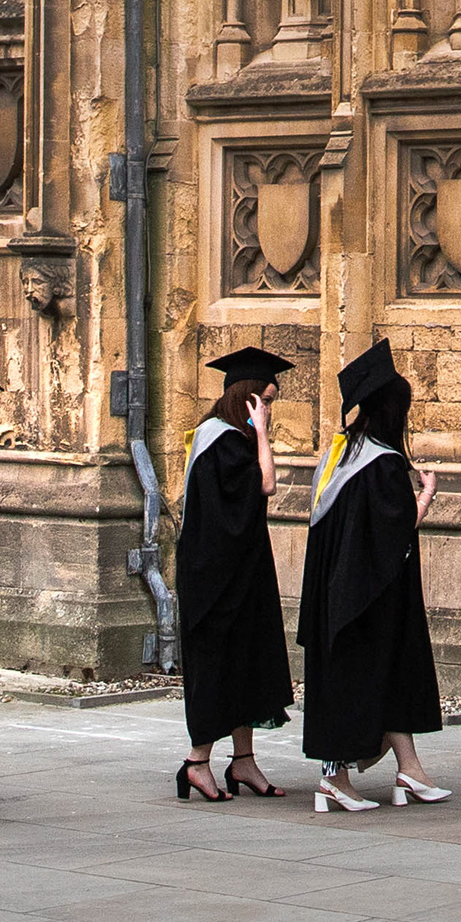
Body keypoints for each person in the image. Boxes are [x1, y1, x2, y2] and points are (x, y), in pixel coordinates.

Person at [294, 339, 444, 812]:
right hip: (368, 600)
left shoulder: (341, 455)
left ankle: (409, 770)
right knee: (364, 677)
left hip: (336, 594)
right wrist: (426, 497)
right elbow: (394, 528)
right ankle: (334, 780)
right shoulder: (381, 464)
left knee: (389, 674)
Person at [173, 344, 294, 802]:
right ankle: (196, 762)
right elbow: (266, 485)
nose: (269, 409)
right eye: (265, 400)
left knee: (247, 663)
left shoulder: (221, 439)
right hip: (217, 581)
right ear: (246, 400)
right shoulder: (222, 442)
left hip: (238, 574)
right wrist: (262, 433)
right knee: (220, 665)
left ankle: (243, 762)